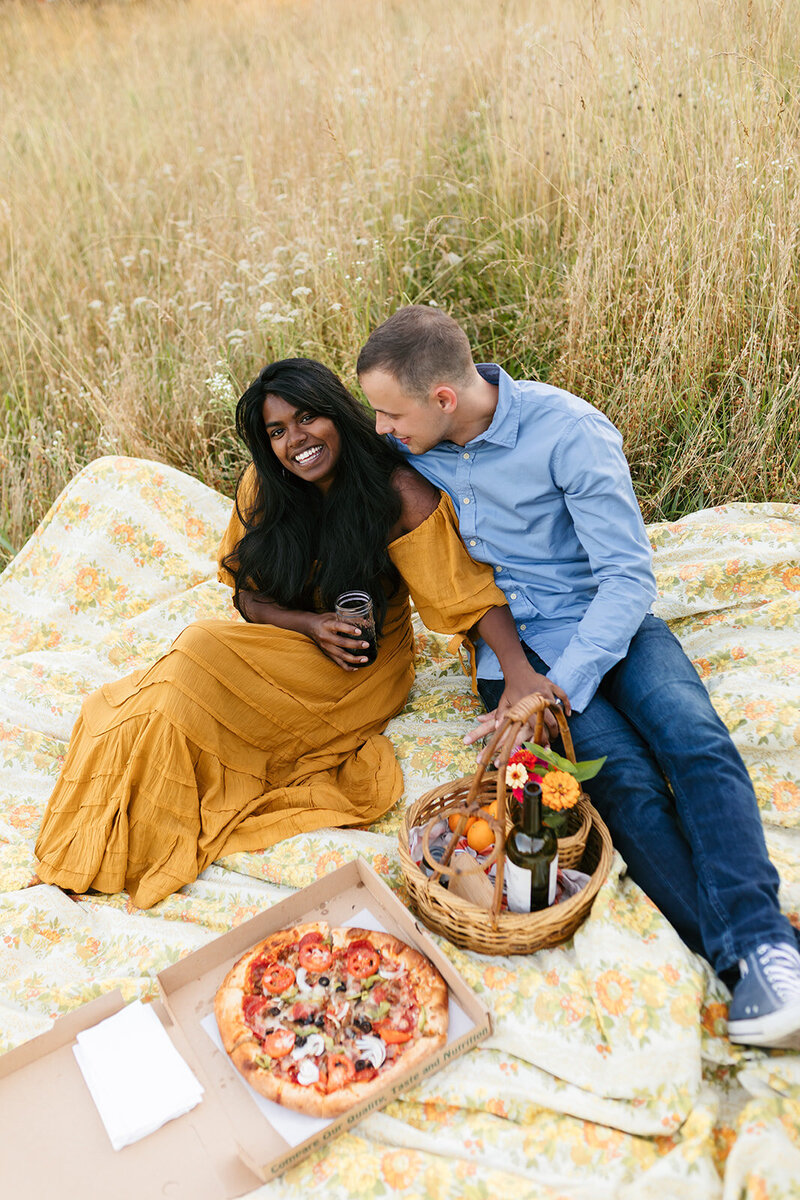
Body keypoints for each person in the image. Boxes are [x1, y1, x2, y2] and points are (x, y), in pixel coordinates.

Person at [357, 305, 800, 1050]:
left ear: (443, 398)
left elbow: (628, 578)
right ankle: (748, 968)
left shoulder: (568, 431)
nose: (381, 428)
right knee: (623, 782)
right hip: (512, 659)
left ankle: (767, 950)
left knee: (694, 739)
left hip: (610, 626)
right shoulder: (412, 451)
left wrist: (560, 683)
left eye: (390, 413)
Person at [35, 358, 538, 910]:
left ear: (337, 414)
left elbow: (466, 594)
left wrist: (518, 674)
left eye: (306, 418)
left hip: (362, 667)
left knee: (194, 657)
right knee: (160, 689)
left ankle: (139, 824)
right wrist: (310, 624)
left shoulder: (396, 491)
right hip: (296, 638)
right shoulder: (266, 486)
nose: (295, 440)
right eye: (277, 431)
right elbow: (246, 596)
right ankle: (116, 821)